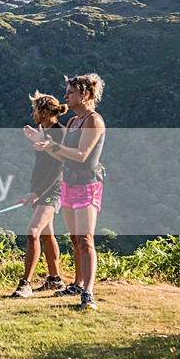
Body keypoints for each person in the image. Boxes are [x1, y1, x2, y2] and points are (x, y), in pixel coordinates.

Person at [34, 74, 106, 310]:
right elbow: (62, 154)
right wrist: (44, 144)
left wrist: (53, 145)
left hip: (87, 185)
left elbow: (82, 155)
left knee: (86, 240)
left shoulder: (94, 121)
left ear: (85, 94)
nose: (65, 97)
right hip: (69, 184)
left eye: (70, 92)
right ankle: (77, 284)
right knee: (75, 239)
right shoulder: (74, 122)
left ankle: (89, 293)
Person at [12, 91, 68, 298]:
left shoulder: (60, 133)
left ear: (44, 112)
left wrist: (37, 193)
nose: (31, 114)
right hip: (40, 189)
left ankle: (25, 283)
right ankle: (55, 280)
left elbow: (57, 169)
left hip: (50, 191)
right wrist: (39, 138)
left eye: (34, 110)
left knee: (32, 232)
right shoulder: (46, 131)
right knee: (46, 234)